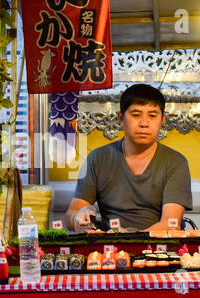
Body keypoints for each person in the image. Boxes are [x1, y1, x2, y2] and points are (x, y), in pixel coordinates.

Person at [66, 83, 192, 235]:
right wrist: (78, 218)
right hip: (109, 247)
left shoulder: (175, 162)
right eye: (136, 115)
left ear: (162, 120)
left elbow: (171, 223)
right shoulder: (98, 159)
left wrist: (130, 237)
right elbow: (71, 214)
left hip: (157, 248)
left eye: (152, 116)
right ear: (120, 118)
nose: (144, 124)